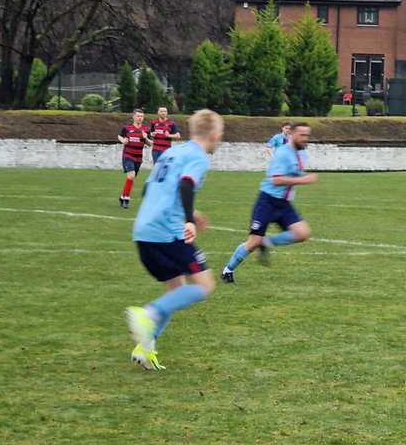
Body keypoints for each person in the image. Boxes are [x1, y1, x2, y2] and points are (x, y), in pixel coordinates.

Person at [123, 109, 224, 370]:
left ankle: (146, 347)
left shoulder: (171, 152)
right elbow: (186, 184)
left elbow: (149, 188)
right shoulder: (199, 158)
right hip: (166, 232)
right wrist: (188, 219)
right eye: (221, 134)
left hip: (143, 230)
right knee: (205, 285)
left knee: (176, 290)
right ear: (213, 134)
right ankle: (148, 313)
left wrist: (188, 212)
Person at [221, 122, 318, 283]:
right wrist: (302, 180)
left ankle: (267, 242)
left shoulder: (301, 154)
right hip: (267, 201)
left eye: (307, 136)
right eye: (302, 135)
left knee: (302, 233)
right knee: (253, 242)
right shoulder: (282, 153)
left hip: (284, 204)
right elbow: (276, 180)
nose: (305, 139)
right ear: (292, 134)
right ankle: (227, 271)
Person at [118, 108, 153, 209]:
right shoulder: (127, 128)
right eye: (138, 116)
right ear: (134, 117)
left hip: (138, 157)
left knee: (131, 177)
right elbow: (120, 136)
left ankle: (122, 197)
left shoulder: (146, 130)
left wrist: (145, 137)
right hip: (128, 154)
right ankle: (126, 200)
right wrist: (123, 140)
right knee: (131, 175)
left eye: (141, 116)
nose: (140, 118)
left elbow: (150, 144)